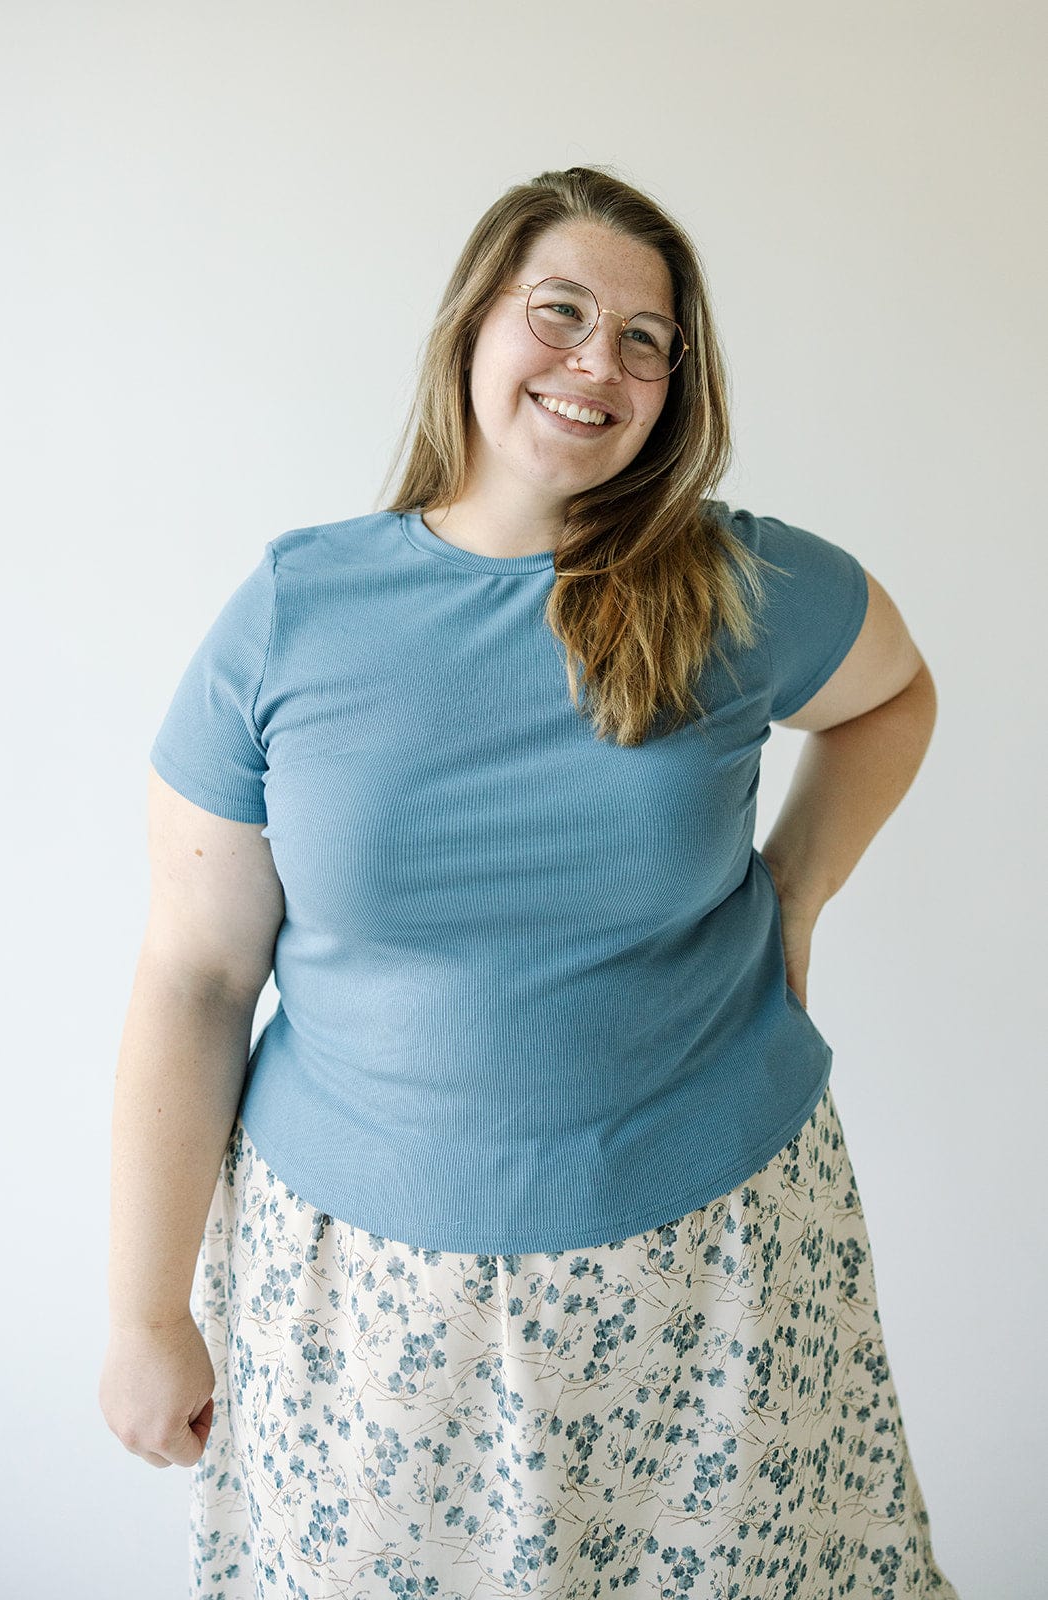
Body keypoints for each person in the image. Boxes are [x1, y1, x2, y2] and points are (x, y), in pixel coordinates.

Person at [99, 165, 960, 1598]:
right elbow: (193, 974)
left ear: (676, 385)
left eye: (643, 338)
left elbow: (894, 696)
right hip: (366, 1305)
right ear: (472, 330)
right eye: (558, 311)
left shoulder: (734, 584)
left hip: (716, 1270)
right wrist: (140, 1310)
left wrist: (794, 901)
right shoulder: (295, 611)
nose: (597, 363)